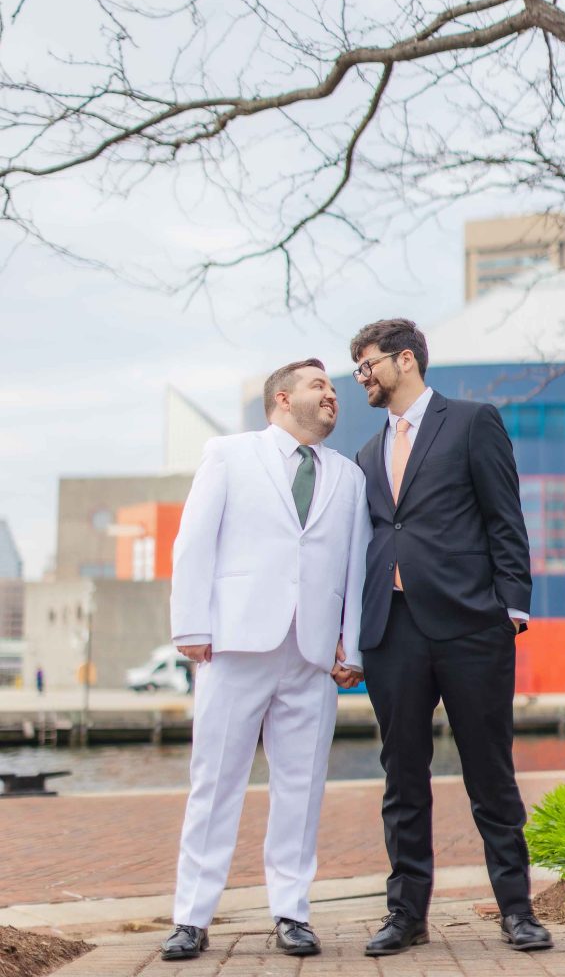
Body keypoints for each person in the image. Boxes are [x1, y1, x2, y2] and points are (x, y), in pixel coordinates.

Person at [350, 319, 553, 955]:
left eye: (368, 365)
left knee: (490, 771)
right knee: (401, 775)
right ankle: (405, 914)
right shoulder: (363, 455)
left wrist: (511, 607)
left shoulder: (471, 421)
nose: (362, 378)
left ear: (404, 360)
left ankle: (517, 909)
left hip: (471, 626)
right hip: (393, 629)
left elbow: (504, 517)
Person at [161, 359, 371, 962]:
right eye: (319, 385)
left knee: (301, 789)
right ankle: (191, 917)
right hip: (235, 645)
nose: (333, 394)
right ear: (282, 398)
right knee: (215, 782)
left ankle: (291, 912)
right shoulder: (229, 453)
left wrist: (350, 646)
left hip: (311, 655)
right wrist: (191, 626)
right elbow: (193, 540)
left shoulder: (348, 477)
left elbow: (355, 565)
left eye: (333, 387)